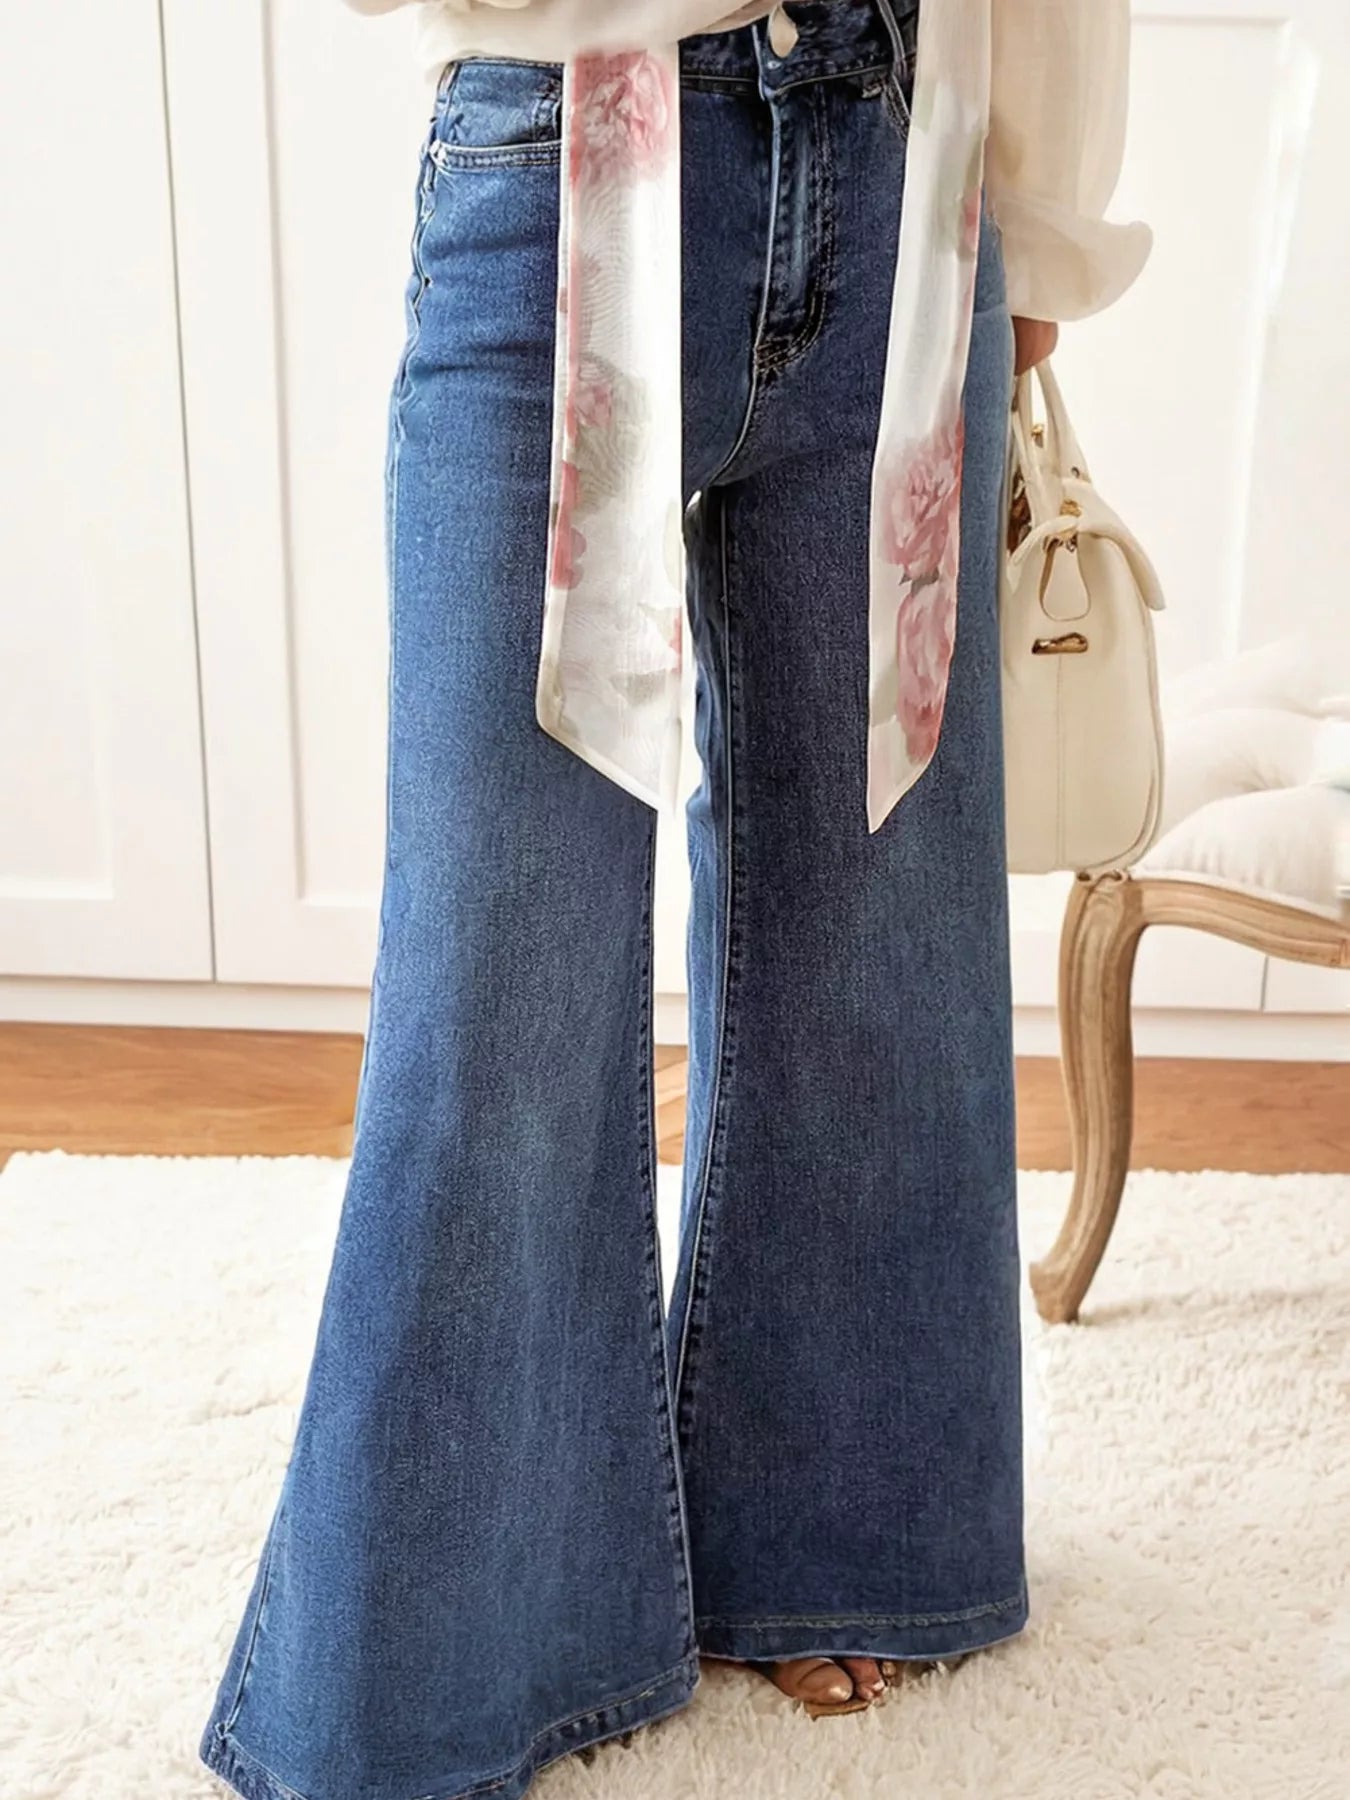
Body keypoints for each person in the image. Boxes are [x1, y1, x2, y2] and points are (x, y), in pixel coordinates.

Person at [199, 3, 1150, 1797]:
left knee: (878, 924)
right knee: (502, 964)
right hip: (567, 143)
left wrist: (1045, 212)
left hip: (899, 149)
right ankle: (437, 1658)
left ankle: (834, 1540)